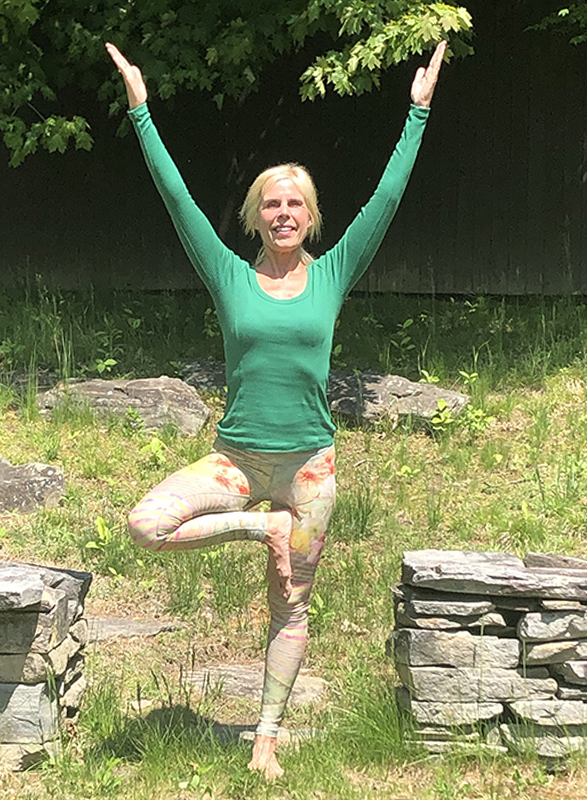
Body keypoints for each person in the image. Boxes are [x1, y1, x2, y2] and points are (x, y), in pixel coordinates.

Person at [106, 39, 446, 781]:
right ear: (256, 219)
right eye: (272, 204)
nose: (283, 212)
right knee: (144, 525)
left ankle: (265, 736)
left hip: (310, 470)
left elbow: (387, 197)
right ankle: (262, 527)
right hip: (236, 461)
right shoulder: (228, 274)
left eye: (295, 203)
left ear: (311, 216)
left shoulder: (335, 274)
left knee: (291, 604)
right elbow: (175, 198)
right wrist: (140, 109)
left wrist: (417, 112)